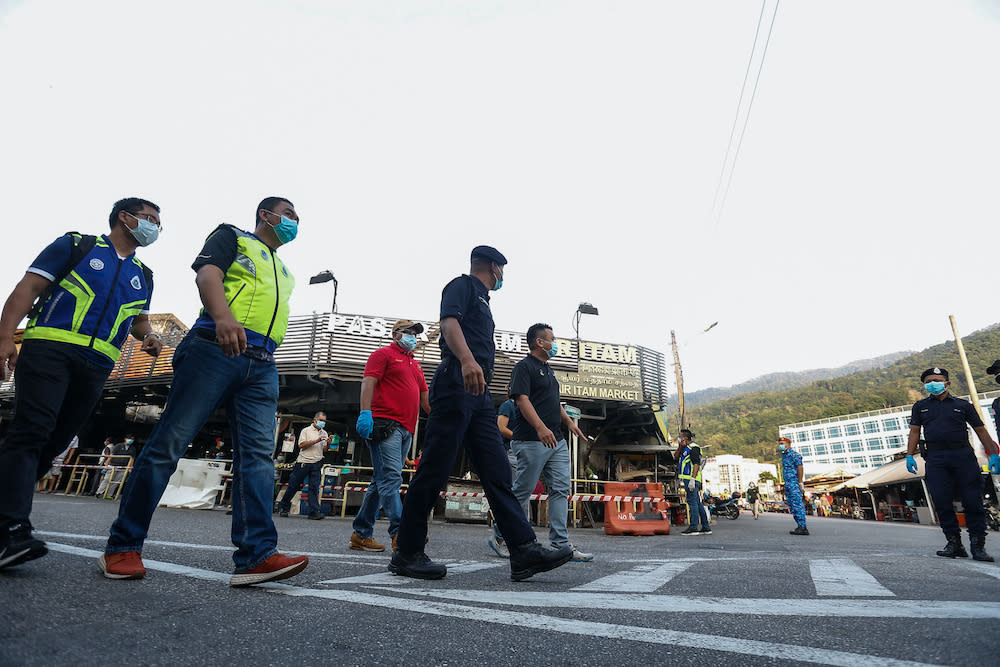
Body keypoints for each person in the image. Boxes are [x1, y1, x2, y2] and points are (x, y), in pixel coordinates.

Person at [102, 197, 308, 586]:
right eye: (290, 215)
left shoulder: (281, 267)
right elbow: (207, 275)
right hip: (214, 347)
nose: (295, 222)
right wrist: (223, 317)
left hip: (263, 362)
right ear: (266, 215)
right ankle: (122, 547)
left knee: (258, 459)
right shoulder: (232, 236)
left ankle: (256, 556)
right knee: (168, 446)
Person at [390, 246, 573, 581]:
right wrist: (467, 360)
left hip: (478, 392)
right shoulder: (461, 286)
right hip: (457, 380)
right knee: (435, 467)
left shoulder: (484, 301)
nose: (502, 276)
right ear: (493, 266)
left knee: (497, 470)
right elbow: (448, 324)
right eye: (502, 269)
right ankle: (407, 552)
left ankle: (523, 551)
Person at [0, 198, 162, 570]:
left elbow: (138, 318)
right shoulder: (76, 246)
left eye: (158, 222)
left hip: (98, 363)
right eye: (149, 218)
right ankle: (11, 528)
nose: (154, 227)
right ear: (125, 217)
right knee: (32, 431)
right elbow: (28, 288)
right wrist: (6, 335)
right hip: (49, 349)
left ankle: (5, 512)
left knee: (56, 441)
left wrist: (149, 335)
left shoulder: (145, 274)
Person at [503, 323, 592, 562]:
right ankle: (502, 537)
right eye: (552, 339)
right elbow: (522, 400)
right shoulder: (524, 367)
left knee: (561, 489)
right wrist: (540, 427)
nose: (556, 344)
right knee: (522, 491)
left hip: (557, 440)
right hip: (532, 439)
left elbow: (554, 401)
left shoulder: (548, 370)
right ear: (539, 342)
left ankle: (560, 545)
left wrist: (569, 422)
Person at [352, 320, 430, 552]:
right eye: (409, 333)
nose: (413, 337)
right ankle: (401, 532)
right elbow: (368, 382)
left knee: (381, 481)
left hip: (406, 429)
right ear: (396, 334)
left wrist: (443, 423)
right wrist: (365, 412)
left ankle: (361, 533)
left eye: (416, 334)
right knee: (392, 479)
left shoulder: (415, 365)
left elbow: (425, 399)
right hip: (385, 425)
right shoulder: (383, 354)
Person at [906, 367, 999, 562]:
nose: (932, 383)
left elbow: (980, 430)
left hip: (963, 456)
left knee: (972, 501)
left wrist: (993, 454)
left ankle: (978, 546)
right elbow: (915, 431)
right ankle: (954, 543)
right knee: (941, 500)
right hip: (936, 458)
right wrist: (909, 455)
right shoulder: (920, 406)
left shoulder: (962, 405)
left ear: (947, 383)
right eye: (928, 380)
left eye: (937, 379)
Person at [277, 412, 329, 520]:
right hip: (303, 462)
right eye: (321, 420)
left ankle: (314, 511)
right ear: (315, 420)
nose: (322, 422)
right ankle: (284, 507)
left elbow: (324, 449)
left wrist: (328, 443)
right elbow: (301, 445)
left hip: (317, 462)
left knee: (314, 487)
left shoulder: (324, 432)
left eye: (324, 421)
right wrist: (316, 440)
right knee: (293, 485)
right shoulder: (306, 430)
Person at [488, 394, 519, 557]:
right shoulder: (509, 405)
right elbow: (501, 427)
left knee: (520, 497)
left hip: (523, 451)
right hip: (511, 451)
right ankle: (500, 537)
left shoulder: (526, 406)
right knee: (515, 496)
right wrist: (520, 437)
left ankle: (516, 539)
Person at [676, 429, 711, 535]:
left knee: (692, 503)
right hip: (688, 479)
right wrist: (680, 447)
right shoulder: (685, 448)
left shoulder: (694, 448)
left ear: (685, 438)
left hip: (692, 479)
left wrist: (692, 479)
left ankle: (693, 527)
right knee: (697, 503)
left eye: (680, 437)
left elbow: (696, 464)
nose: (678, 438)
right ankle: (706, 527)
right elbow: (675, 457)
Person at [779, 437, 809, 535]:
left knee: (797, 504)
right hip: (788, 483)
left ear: (788, 444)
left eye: (782, 443)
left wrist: (800, 482)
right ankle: (799, 525)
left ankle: (803, 526)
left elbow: (800, 468)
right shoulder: (784, 456)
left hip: (794, 483)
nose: (780, 446)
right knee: (792, 505)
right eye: (779, 444)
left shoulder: (794, 455)